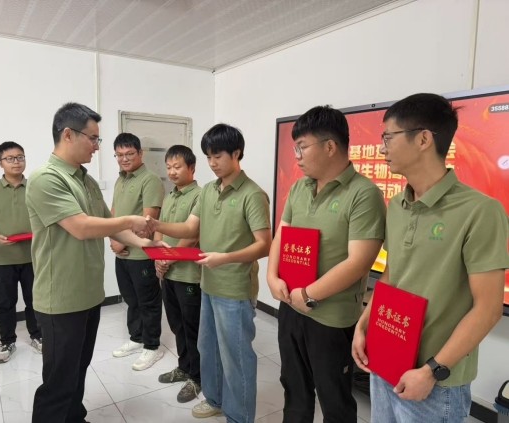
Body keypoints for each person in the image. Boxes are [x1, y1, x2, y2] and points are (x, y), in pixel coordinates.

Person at [352, 93, 509, 423]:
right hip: (386, 359)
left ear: (423, 139)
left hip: (435, 383)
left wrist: (432, 371)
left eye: (388, 138)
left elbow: (489, 308)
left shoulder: (480, 211)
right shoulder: (397, 205)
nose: (381, 148)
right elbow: (392, 275)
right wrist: (364, 325)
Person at [26, 102, 163, 423]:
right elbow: (81, 227)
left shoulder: (85, 180)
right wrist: (131, 219)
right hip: (60, 298)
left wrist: (150, 244)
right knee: (58, 382)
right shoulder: (46, 179)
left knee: (78, 369)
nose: (97, 147)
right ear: (68, 135)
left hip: (88, 295)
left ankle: (75, 418)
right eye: (93, 138)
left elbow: (109, 224)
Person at [266, 105, 386, 423]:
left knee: (334, 397)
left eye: (302, 147)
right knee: (294, 387)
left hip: (330, 318)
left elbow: (359, 262)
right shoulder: (299, 187)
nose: (296, 156)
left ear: (330, 146)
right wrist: (271, 276)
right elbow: (282, 235)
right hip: (291, 305)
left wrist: (309, 294)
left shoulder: (364, 194)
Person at [150, 123, 272, 423]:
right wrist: (156, 225)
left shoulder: (253, 194)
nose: (212, 163)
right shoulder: (208, 191)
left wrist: (225, 258)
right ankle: (215, 399)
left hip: (235, 289)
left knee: (236, 358)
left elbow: (264, 245)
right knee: (209, 348)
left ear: (236, 153)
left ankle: (239, 416)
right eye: (208, 157)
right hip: (208, 284)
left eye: (218, 156)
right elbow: (190, 228)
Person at [0, 141, 42, 364]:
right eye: (10, 158)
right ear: (0, 163)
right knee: (5, 302)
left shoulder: (36, 188)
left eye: (20, 157)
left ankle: (38, 335)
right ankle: (7, 341)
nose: (16, 162)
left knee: (36, 300)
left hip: (34, 256)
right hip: (3, 258)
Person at [110, 132, 165, 371]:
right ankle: (136, 338)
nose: (124, 158)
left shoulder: (150, 180)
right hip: (121, 254)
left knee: (148, 301)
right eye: (119, 154)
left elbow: (147, 221)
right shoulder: (120, 179)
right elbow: (113, 213)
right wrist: (113, 237)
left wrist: (122, 242)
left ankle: (152, 346)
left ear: (140, 153)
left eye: (129, 153)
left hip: (142, 254)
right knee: (131, 300)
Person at [154, 145, 202, 403]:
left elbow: (193, 235)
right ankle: (184, 367)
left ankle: (197, 376)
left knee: (192, 327)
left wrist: (169, 258)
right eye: (169, 167)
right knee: (176, 324)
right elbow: (159, 230)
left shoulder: (200, 195)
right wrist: (158, 257)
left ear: (191, 168)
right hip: (168, 272)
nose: (172, 172)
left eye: (177, 167)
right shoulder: (169, 195)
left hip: (188, 274)